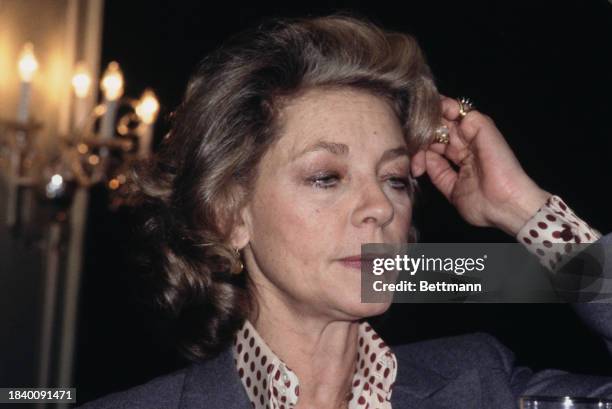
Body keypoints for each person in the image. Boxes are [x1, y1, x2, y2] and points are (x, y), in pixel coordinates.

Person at [78, 15, 612, 409]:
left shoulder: (481, 383)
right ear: (228, 215)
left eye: (396, 179)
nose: (380, 206)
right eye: (325, 177)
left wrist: (522, 208)